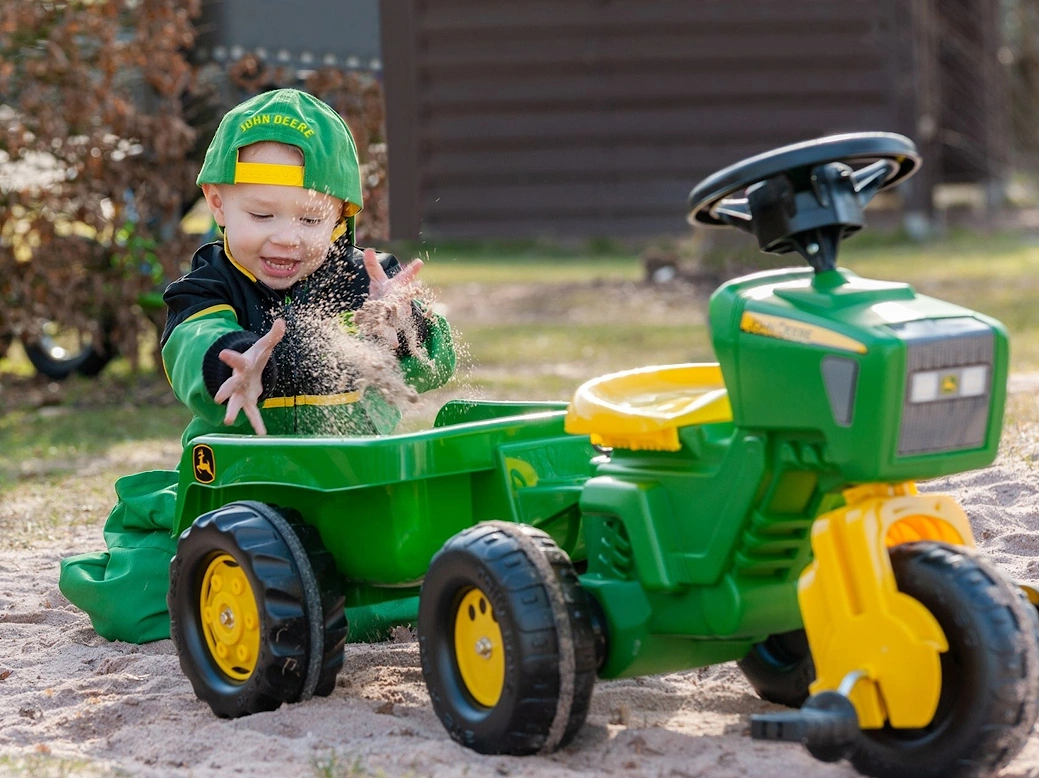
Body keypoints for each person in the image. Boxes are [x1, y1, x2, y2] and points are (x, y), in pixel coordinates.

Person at [58, 89, 456, 643]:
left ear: (343, 216)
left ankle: (339, 603)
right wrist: (235, 366)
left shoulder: (367, 284)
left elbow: (433, 368)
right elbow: (194, 349)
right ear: (218, 204)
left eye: (311, 218)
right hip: (240, 499)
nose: (286, 237)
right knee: (136, 602)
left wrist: (405, 329)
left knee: (418, 565)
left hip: (350, 495)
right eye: (261, 213)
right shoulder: (207, 289)